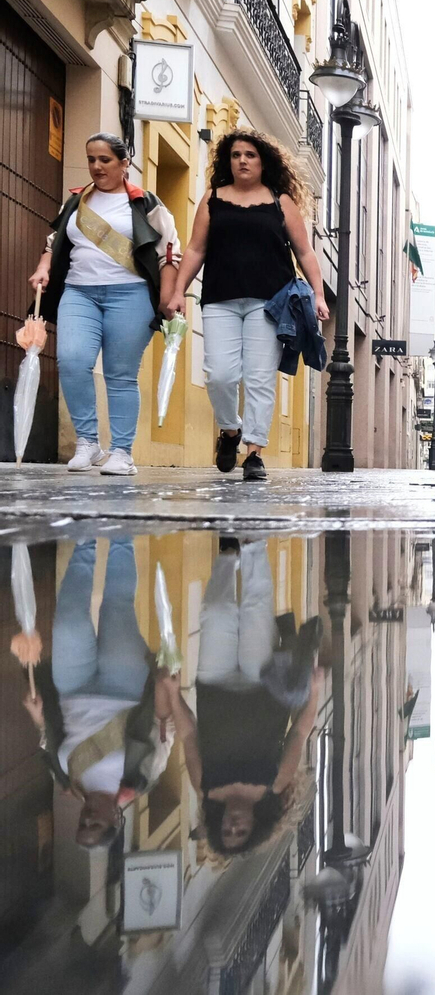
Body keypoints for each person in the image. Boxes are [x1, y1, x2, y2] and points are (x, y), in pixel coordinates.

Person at [173, 129, 329, 484]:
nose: (242, 160)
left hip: (270, 304)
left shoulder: (280, 201)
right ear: (228, 161)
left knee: (259, 379)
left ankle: (254, 453)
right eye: (236, 155)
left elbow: (304, 252)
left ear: (263, 162)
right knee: (221, 375)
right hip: (220, 300)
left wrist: (318, 294)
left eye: (250, 155)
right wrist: (178, 290)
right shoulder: (213, 198)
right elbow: (196, 249)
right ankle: (230, 432)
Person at [29, 134, 182, 476]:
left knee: (120, 375)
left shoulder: (147, 204)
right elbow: (55, 242)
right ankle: (88, 442)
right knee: (71, 361)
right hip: (79, 292)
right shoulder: (76, 201)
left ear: (124, 163)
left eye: (105, 160)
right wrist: (43, 267)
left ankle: (122, 452)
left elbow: (169, 253)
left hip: (130, 295)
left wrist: (169, 296)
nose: (96, 167)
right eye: (91, 160)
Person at [21, 538, 177, 847]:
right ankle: (120, 532)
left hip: (72, 689)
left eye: (83, 823)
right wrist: (163, 687)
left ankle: (85, 539)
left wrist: (39, 718)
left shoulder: (68, 782)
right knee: (116, 604)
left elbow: (49, 742)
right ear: (115, 820)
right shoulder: (142, 777)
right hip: (126, 687)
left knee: (67, 622)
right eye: (96, 824)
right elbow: (164, 729)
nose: (88, 818)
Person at [171, 538, 322, 856]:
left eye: (227, 831)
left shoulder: (205, 787)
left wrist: (173, 695)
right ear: (256, 825)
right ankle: (253, 545)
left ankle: (227, 557)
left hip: (214, 685)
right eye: (241, 832)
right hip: (263, 686)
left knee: (217, 611)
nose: (234, 825)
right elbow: (300, 731)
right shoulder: (275, 783)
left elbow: (187, 733)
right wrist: (315, 689)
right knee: (255, 611)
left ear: (217, 824)